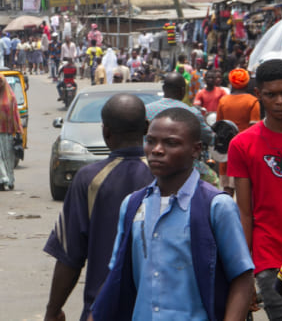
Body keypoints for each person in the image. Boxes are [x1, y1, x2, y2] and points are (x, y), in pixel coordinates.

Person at [90, 107, 254, 321]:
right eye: (150, 141)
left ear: (195, 150)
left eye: (171, 143)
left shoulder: (216, 206)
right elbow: (116, 275)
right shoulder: (132, 205)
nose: (157, 150)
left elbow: (242, 277)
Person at [43, 94, 153, 321]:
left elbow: (69, 256)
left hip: (103, 308)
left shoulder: (89, 179)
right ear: (146, 127)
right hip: (158, 309)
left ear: (106, 132)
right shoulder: (166, 176)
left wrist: (53, 309)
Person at [228, 59, 282, 320]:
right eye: (271, 95)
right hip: (270, 258)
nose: (280, 101)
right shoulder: (242, 145)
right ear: (258, 95)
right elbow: (244, 213)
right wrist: (244, 273)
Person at [145, 72, 218, 185]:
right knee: (213, 180)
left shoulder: (146, 110)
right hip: (182, 167)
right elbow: (208, 137)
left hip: (149, 164)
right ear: (183, 91)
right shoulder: (192, 112)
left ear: (164, 89)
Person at [215, 68, 260, 195]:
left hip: (227, 148)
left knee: (227, 189)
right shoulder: (252, 101)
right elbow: (254, 128)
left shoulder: (223, 101)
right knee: (245, 191)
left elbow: (219, 124)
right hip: (245, 148)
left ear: (231, 82)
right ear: (247, 82)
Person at [0, 74, 23, 190]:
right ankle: (3, 180)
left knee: (8, 157)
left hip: (7, 132)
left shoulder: (11, 97)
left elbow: (16, 115)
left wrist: (18, 130)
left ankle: (10, 180)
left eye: (0, 83)